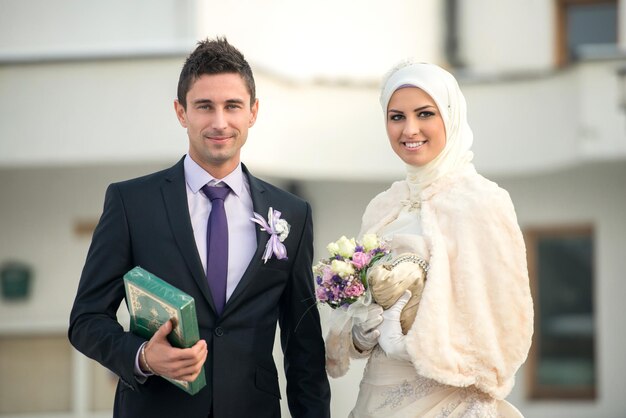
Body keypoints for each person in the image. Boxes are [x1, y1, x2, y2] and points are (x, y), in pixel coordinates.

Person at [68, 37, 331, 418]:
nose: (219, 122)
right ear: (181, 112)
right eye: (205, 106)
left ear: (253, 112)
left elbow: (303, 347)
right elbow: (86, 320)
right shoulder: (131, 203)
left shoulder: (292, 213)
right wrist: (143, 356)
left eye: (233, 106)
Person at [325, 61, 533, 417]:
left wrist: (411, 346)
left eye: (424, 114)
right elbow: (356, 316)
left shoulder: (483, 201)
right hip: (376, 396)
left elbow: (505, 324)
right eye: (396, 117)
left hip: (448, 401)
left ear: (449, 116)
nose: (410, 129)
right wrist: (360, 333)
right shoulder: (382, 207)